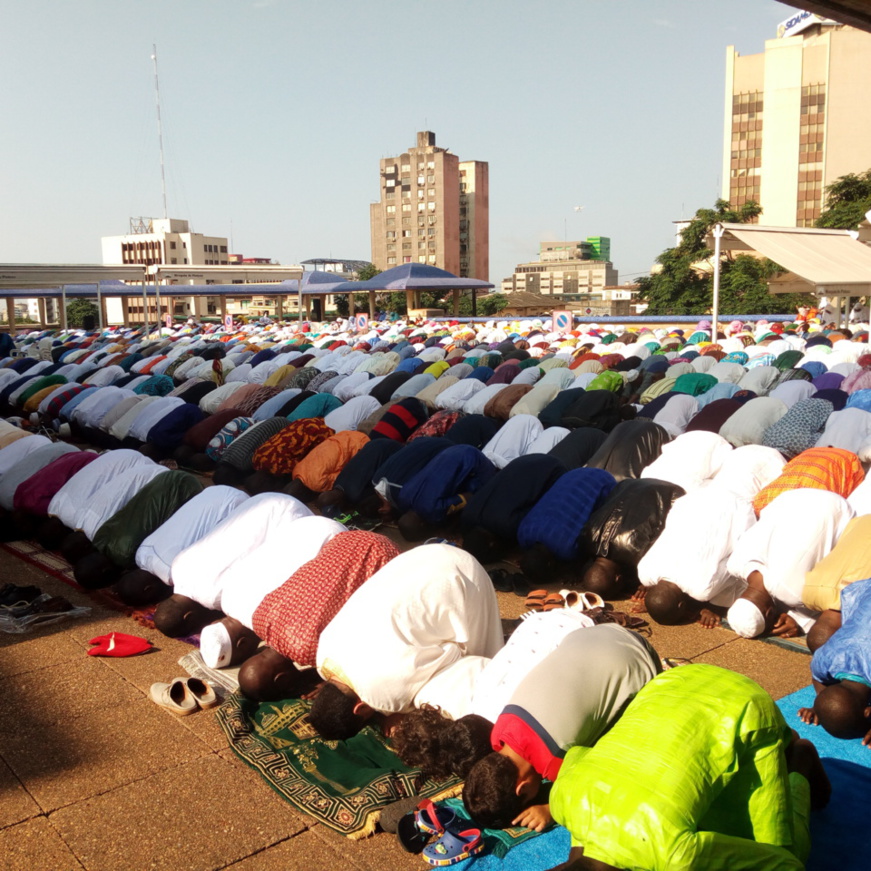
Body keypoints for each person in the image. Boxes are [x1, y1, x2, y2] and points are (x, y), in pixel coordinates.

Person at [548, 664, 827, 871]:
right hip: (672, 681)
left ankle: (799, 758)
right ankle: (780, 740)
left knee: (784, 851)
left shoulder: (673, 855)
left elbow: (787, 865)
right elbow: (578, 755)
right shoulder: (562, 801)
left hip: (748, 708)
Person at [463, 624, 662, 831]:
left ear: (522, 789)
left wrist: (551, 810)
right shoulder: (500, 730)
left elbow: (597, 789)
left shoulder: (556, 761)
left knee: (621, 752)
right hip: (592, 634)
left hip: (641, 657)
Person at [309, 543, 503, 739]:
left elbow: (452, 656)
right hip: (423, 556)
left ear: (359, 709)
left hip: (461, 579)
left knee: (485, 669)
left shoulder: (382, 694)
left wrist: (399, 712)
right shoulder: (323, 653)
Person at [237, 531, 401, 700]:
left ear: (282, 679)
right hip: (347, 539)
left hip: (383, 557)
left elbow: (361, 658)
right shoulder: (260, 618)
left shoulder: (312, 652)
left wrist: (331, 682)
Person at [726, 489, 853, 639]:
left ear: (769, 612)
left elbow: (832, 607)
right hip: (794, 495)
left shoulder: (794, 594)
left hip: (838, 509)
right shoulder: (734, 563)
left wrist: (801, 621)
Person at [798, 577, 871, 743]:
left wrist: (825, 704)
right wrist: (824, 705)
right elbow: (817, 676)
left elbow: (818, 678)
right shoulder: (828, 659)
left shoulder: (827, 660)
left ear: (868, 712)